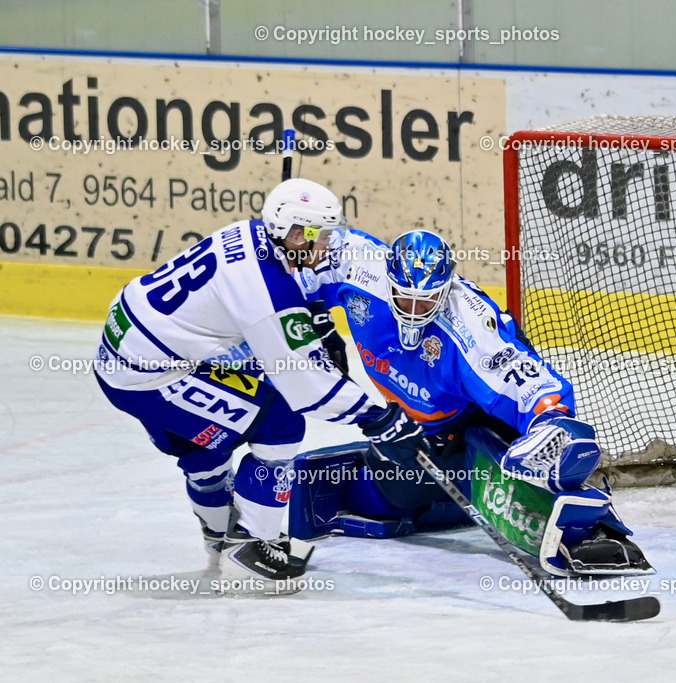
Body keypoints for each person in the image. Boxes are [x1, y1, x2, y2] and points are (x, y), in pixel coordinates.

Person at [93, 178, 426, 589]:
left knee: (207, 445)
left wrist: (313, 316)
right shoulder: (269, 290)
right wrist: (377, 418)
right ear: (295, 234)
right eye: (319, 237)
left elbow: (264, 309)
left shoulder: (250, 233)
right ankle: (251, 548)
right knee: (280, 422)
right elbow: (308, 384)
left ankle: (220, 540)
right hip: (151, 374)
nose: (326, 246)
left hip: (130, 348)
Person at [295, 228, 652, 576]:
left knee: (494, 457)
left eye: (429, 299)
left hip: (476, 410)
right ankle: (464, 484)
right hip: (426, 421)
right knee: (383, 494)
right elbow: (313, 250)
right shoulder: (360, 269)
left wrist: (550, 420)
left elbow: (522, 378)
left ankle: (596, 527)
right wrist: (313, 317)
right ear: (388, 283)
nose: (417, 310)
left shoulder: (467, 328)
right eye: (406, 298)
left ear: (446, 288)